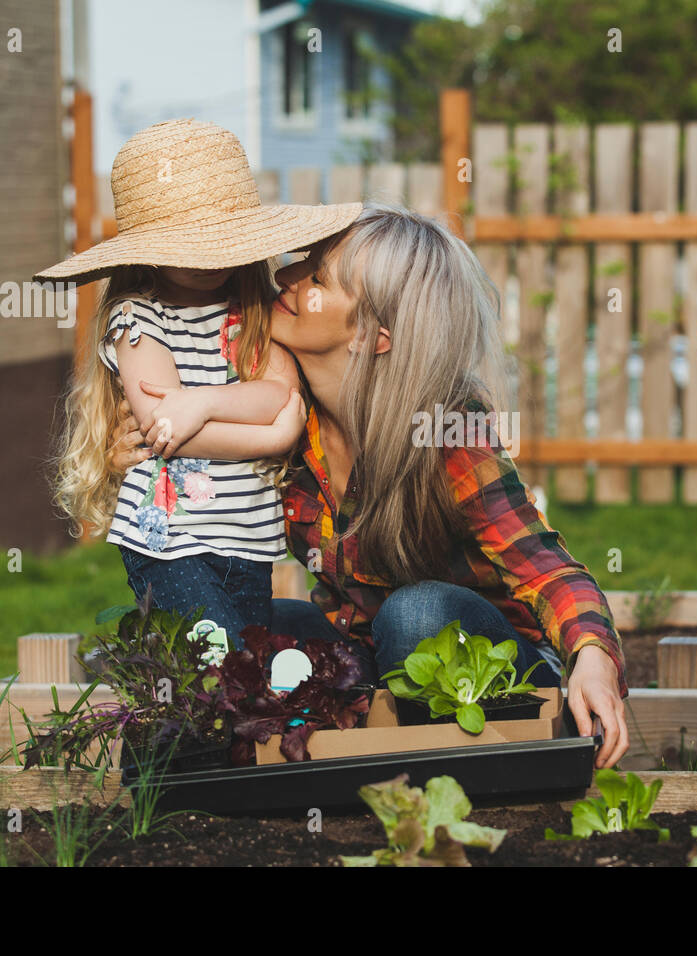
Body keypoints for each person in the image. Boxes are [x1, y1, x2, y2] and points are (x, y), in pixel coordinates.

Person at [113, 204, 630, 767]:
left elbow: (543, 565)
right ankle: (303, 754)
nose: (285, 276)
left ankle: (439, 763)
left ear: (371, 335)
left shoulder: (445, 429)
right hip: (367, 653)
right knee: (242, 631)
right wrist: (140, 445)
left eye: (316, 279)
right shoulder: (283, 419)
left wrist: (594, 658)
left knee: (415, 615)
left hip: (492, 670)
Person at [42, 118, 361, 647]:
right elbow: (164, 428)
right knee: (218, 667)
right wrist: (273, 436)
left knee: (242, 676)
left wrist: (203, 402)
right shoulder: (139, 319)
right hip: (171, 540)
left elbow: (275, 394)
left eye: (218, 244)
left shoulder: (256, 311)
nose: (205, 262)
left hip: (250, 539)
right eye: (186, 247)